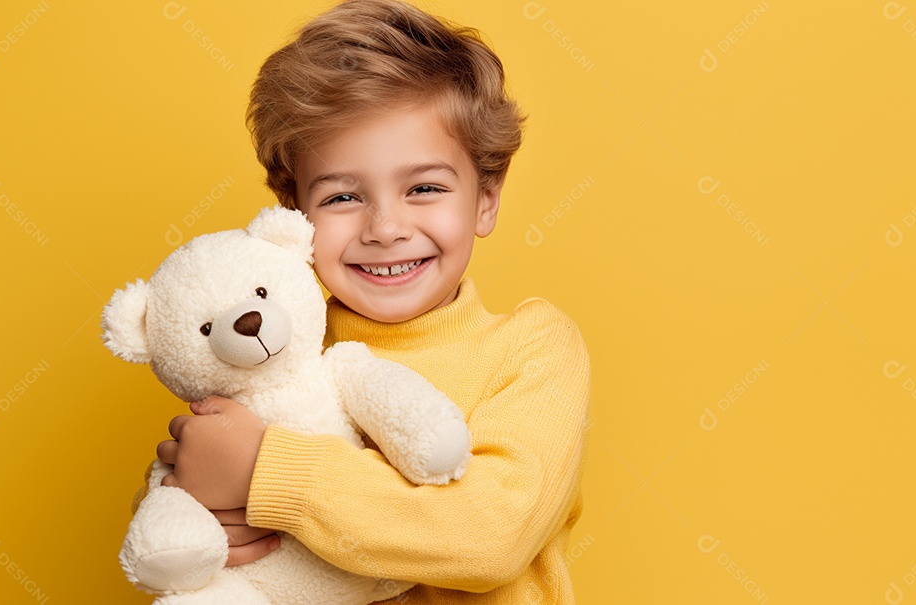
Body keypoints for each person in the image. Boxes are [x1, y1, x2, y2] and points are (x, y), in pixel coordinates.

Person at [148, 0, 591, 602]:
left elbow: (491, 536)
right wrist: (195, 517)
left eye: (424, 188)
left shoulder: (533, 347)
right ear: (296, 215)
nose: (385, 228)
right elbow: (187, 503)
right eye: (341, 197)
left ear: (485, 199)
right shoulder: (275, 349)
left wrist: (264, 474)